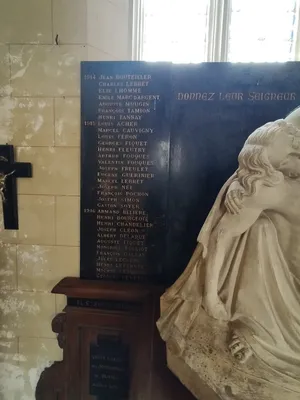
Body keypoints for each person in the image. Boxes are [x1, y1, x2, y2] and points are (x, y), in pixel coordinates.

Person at [157, 118, 300, 380]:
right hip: (291, 267)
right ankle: (256, 332)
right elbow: (222, 235)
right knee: (260, 231)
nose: (296, 146)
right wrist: (211, 297)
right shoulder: (267, 187)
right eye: (291, 147)